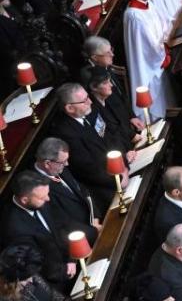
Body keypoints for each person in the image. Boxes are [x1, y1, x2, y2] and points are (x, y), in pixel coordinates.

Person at [48, 83, 130, 215]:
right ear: (69, 108)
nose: (90, 101)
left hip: (120, 170)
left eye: (88, 97)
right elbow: (87, 169)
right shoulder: (65, 133)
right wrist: (119, 180)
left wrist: (123, 163)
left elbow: (110, 137)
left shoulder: (90, 112)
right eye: (84, 100)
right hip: (103, 186)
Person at [0, 172, 74, 292]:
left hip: (68, 259)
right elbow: (36, 264)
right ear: (24, 200)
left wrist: (72, 257)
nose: (48, 199)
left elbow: (59, 226)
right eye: (42, 197)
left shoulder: (38, 200)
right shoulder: (15, 229)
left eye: (47, 194)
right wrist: (65, 270)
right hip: (55, 282)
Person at [0, 244, 94, 301]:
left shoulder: (28, 273)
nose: (32, 280)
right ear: (11, 281)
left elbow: (51, 294)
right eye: (26, 278)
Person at [123, 0, 173, 121]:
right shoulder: (134, 16)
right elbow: (146, 46)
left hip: (159, 52)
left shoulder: (148, 4)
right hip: (148, 64)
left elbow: (161, 23)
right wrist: (163, 53)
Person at [33, 138, 101, 244]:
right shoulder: (39, 189)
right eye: (63, 162)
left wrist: (95, 216)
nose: (67, 164)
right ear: (47, 163)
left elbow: (82, 190)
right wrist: (94, 231)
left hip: (94, 223)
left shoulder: (58, 168)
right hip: (82, 238)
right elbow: (63, 222)